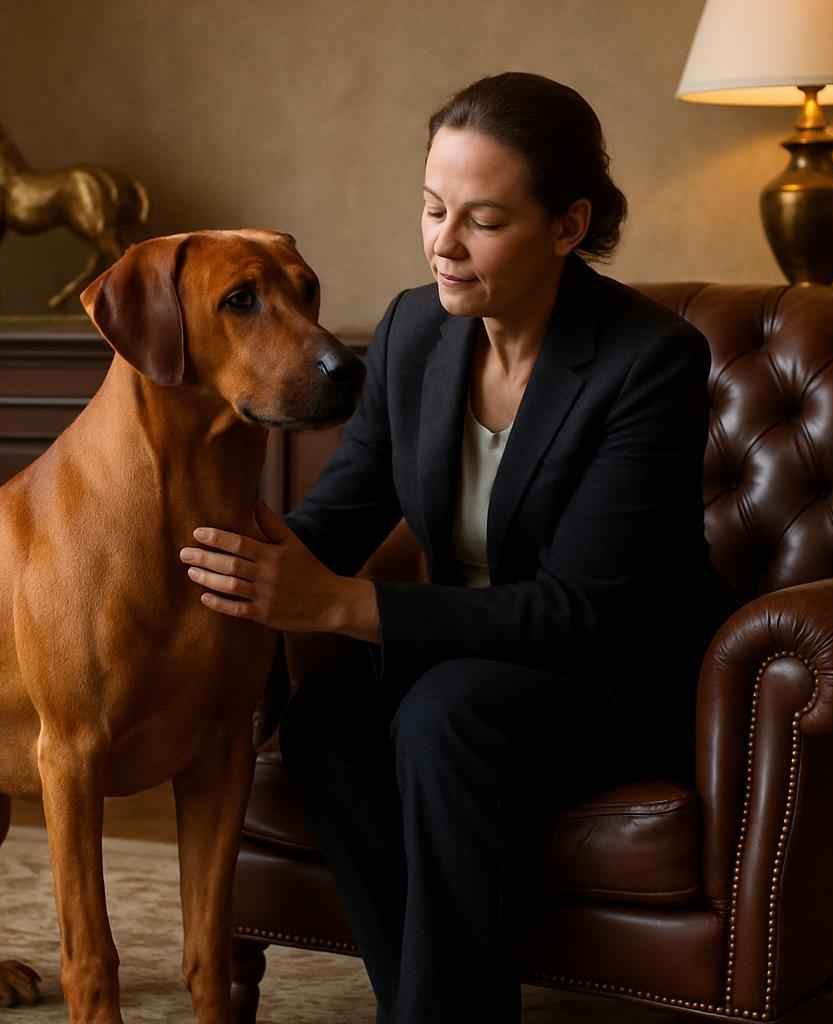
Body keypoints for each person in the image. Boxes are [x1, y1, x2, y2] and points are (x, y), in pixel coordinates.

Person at [178, 72, 732, 1024]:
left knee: (447, 714)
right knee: (327, 725)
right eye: (434, 208)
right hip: (461, 662)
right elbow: (339, 515)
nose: (443, 243)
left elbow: (581, 613)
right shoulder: (412, 331)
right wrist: (227, 572)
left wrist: (342, 605)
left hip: (614, 679)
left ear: (567, 226)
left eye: (484, 220)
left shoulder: (649, 362)